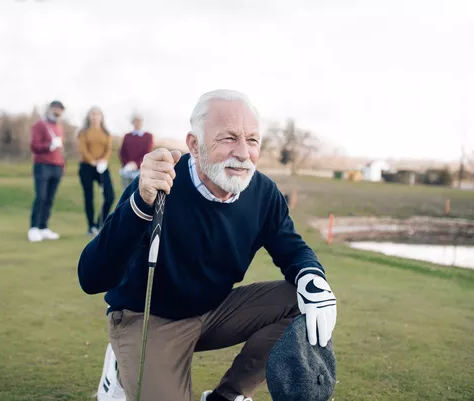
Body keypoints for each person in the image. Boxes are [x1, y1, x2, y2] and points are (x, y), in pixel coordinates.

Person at [78, 89, 337, 401]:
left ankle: (228, 396)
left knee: (302, 298)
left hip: (212, 311)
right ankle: (120, 367)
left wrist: (312, 275)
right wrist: (140, 203)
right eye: (228, 138)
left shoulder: (264, 193)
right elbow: (91, 278)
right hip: (147, 318)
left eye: (252, 140)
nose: (243, 152)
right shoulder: (160, 186)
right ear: (194, 145)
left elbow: (293, 249)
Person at [28, 100, 65, 243]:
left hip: (57, 166)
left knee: (50, 198)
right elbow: (35, 146)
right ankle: (34, 228)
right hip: (43, 165)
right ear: (50, 109)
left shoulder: (58, 126)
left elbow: (60, 149)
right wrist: (49, 145)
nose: (57, 111)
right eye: (55, 108)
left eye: (60, 110)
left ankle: (43, 227)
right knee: (41, 197)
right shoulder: (40, 124)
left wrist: (62, 165)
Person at [78, 106, 116, 235]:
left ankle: (100, 222)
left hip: (102, 167)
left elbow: (109, 149)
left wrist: (103, 161)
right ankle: (91, 226)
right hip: (87, 167)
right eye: (92, 114)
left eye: (97, 114)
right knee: (89, 197)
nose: (95, 116)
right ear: (89, 116)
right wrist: (92, 161)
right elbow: (83, 149)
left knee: (110, 196)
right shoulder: (83, 132)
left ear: (101, 116)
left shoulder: (106, 133)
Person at [118, 113, 153, 190]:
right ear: (132, 122)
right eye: (135, 121)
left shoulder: (148, 136)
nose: (137, 123)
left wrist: (136, 164)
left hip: (140, 170)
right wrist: (127, 164)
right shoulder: (127, 136)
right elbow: (122, 152)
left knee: (138, 193)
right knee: (126, 193)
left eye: (139, 121)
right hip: (127, 169)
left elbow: (147, 153)